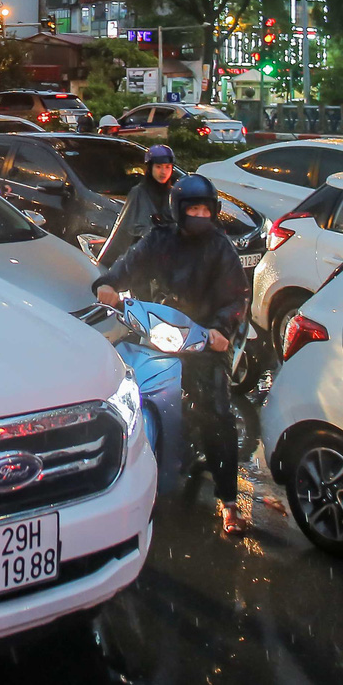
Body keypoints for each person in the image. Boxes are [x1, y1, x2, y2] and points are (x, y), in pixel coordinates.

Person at [94, 174, 250, 533]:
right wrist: (107, 284)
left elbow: (237, 297)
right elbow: (127, 265)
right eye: (192, 208)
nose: (198, 214)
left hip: (203, 340)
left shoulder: (220, 247)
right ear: (178, 210)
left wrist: (221, 330)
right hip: (158, 330)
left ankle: (228, 501)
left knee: (218, 414)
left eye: (203, 209)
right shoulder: (158, 240)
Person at [101, 144, 179, 269]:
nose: (163, 172)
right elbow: (123, 230)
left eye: (167, 167)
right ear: (150, 168)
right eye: (158, 167)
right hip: (141, 262)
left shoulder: (174, 194)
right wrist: (105, 265)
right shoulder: (138, 193)